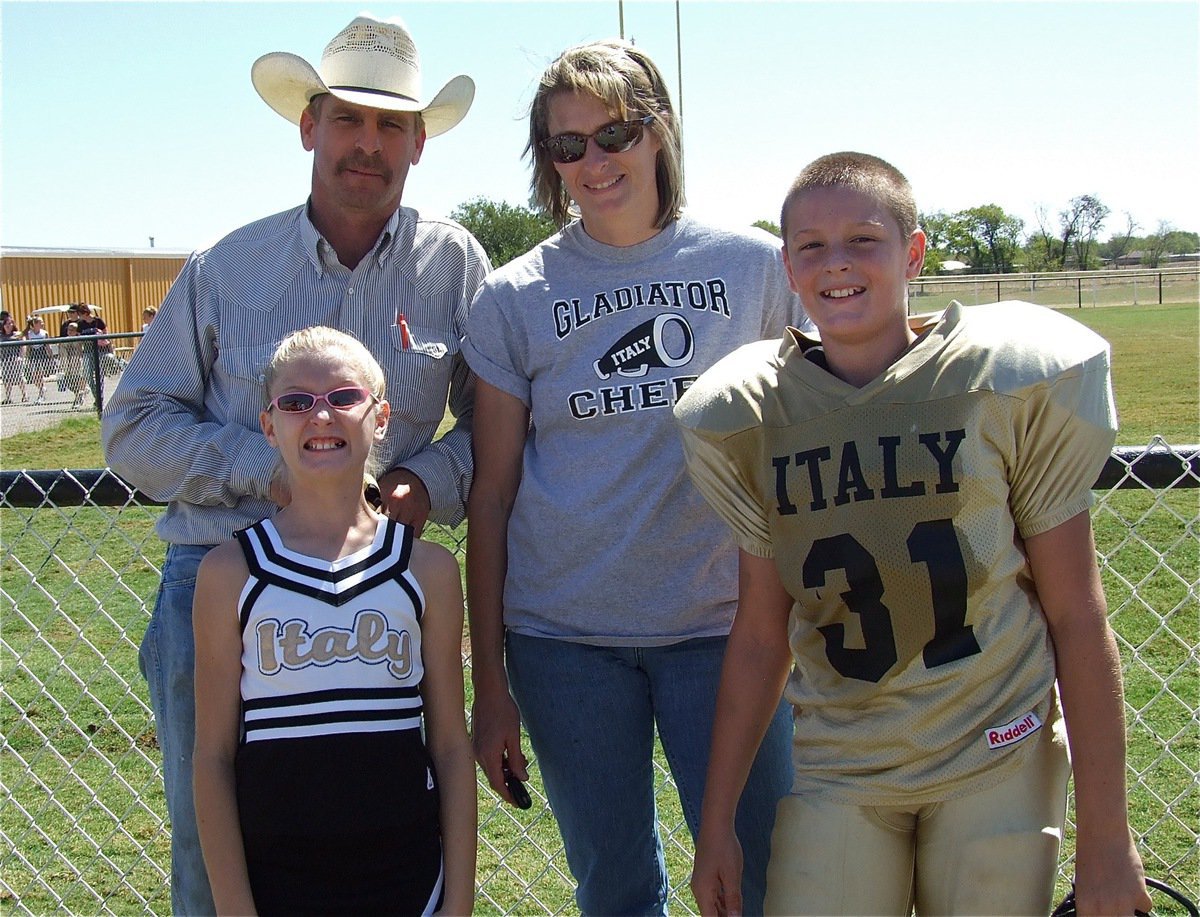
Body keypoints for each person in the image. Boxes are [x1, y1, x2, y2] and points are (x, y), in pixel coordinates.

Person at [675, 151, 1152, 916]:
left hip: (993, 744)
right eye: (812, 246)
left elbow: (1076, 609)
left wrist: (1107, 835)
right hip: (843, 762)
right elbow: (761, 632)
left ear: (914, 252)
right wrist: (717, 822)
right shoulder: (753, 413)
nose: (837, 262)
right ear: (788, 266)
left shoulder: (1001, 380)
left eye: (863, 239)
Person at [101, 14, 486, 914]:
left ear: (420, 142)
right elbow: (133, 426)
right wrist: (267, 470)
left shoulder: (454, 266)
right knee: (214, 844)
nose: (368, 143)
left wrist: (423, 482)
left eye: (392, 124)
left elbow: (496, 424)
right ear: (309, 126)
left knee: (387, 812)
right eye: (347, 117)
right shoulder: (228, 269)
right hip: (221, 581)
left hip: (381, 582)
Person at [463, 39, 808, 916]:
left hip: (726, 628)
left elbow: (817, 424)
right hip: (563, 640)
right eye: (568, 144)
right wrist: (491, 683)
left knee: (761, 879)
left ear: (658, 131)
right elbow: (491, 494)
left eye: (613, 133)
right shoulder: (512, 296)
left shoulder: (756, 268)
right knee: (614, 889)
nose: (595, 160)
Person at [193, 327, 475, 916]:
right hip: (276, 886)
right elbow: (213, 757)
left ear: (381, 417)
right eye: (296, 402)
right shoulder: (230, 573)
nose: (320, 416)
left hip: (408, 883)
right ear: (269, 425)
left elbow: (450, 745)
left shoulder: (426, 570)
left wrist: (458, 901)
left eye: (344, 397)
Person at [23, 316, 54, 404]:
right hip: (33, 355)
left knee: (40, 374)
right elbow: (28, 347)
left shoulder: (44, 333)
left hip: (42, 355)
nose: (43, 324)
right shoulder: (29, 334)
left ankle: (41, 394)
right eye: (41, 322)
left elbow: (48, 346)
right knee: (34, 377)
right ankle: (42, 388)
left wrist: (51, 357)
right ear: (35, 324)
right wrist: (26, 358)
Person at [1, 311, 27, 404]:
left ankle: (25, 395)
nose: (8, 326)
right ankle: (8, 397)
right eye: (6, 324)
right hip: (5, 360)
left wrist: (21, 357)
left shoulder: (17, 334)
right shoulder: (1, 336)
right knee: (6, 379)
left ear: (13, 324)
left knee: (19, 378)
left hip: (16, 360)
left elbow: (23, 345)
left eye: (10, 323)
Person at [59, 322, 86, 408]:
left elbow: (82, 350)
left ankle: (79, 397)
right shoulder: (64, 340)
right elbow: (62, 353)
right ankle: (80, 393)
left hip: (78, 362)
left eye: (72, 330)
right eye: (68, 329)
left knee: (79, 380)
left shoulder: (79, 340)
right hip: (68, 364)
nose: (69, 331)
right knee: (70, 382)